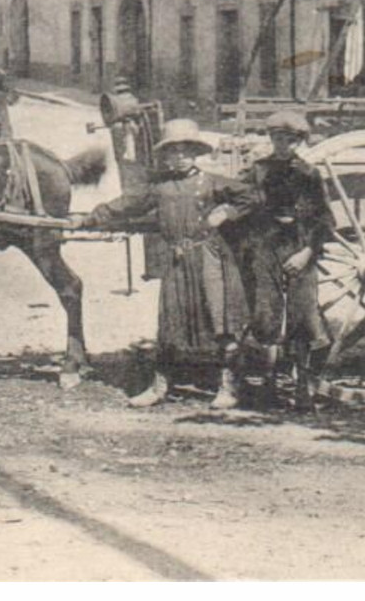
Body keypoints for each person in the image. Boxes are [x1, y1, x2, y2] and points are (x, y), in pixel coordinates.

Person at [80, 118, 249, 410]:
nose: (180, 157)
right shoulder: (159, 187)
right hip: (177, 261)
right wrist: (94, 216)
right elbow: (128, 204)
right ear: (166, 155)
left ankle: (228, 387)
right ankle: (160, 387)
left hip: (208, 258)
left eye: (185, 151)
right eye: (173, 151)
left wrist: (227, 212)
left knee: (219, 320)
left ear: (195, 153)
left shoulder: (211, 182)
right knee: (170, 323)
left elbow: (252, 196)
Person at [214, 110, 333, 410]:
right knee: (265, 313)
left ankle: (303, 386)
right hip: (265, 247)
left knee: (303, 313)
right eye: (278, 139)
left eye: (290, 140)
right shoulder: (258, 170)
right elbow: (237, 196)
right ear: (271, 140)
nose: (283, 145)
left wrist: (307, 253)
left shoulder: (309, 174)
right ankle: (268, 384)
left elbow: (323, 219)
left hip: (299, 247)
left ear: (300, 141)